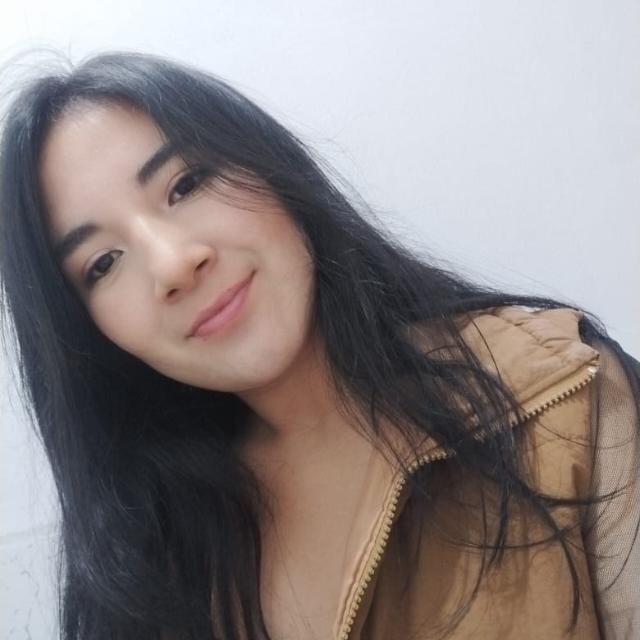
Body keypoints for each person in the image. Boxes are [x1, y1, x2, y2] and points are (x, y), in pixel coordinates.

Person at [0, 51, 637, 640]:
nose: (172, 265)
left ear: (267, 164)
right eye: (103, 263)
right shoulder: (151, 566)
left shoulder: (559, 394)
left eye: (186, 184)